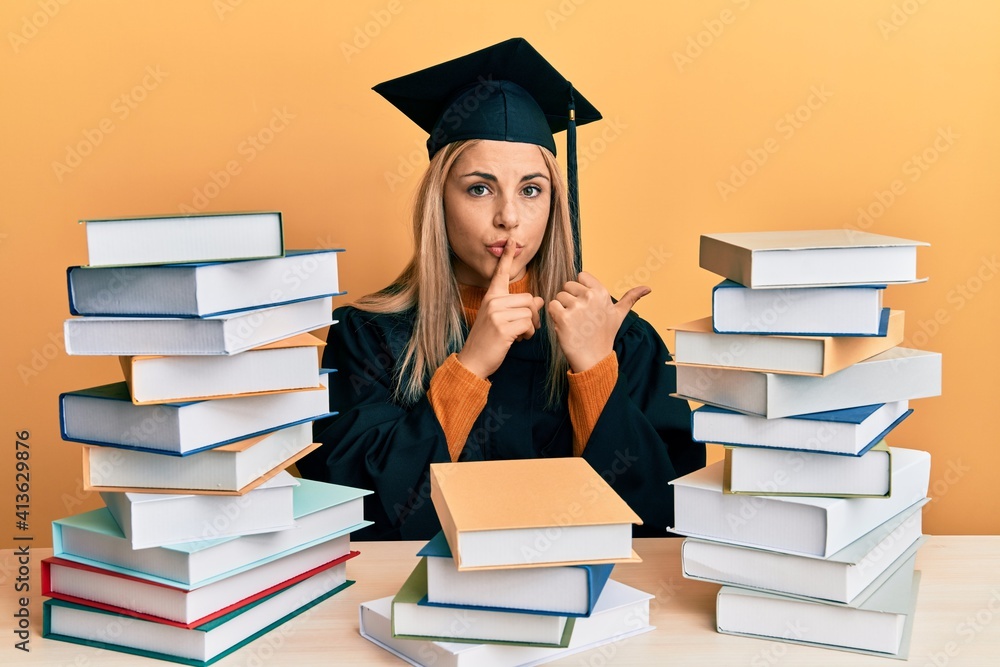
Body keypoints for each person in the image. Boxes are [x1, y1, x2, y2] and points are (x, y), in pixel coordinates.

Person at [297, 38, 705, 540]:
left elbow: (667, 514)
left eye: (531, 190)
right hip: (425, 605)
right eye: (479, 188)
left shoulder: (618, 337)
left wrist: (596, 369)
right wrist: (469, 368)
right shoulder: (367, 337)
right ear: (437, 201)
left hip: (589, 606)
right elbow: (359, 513)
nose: (509, 216)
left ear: (556, 203)